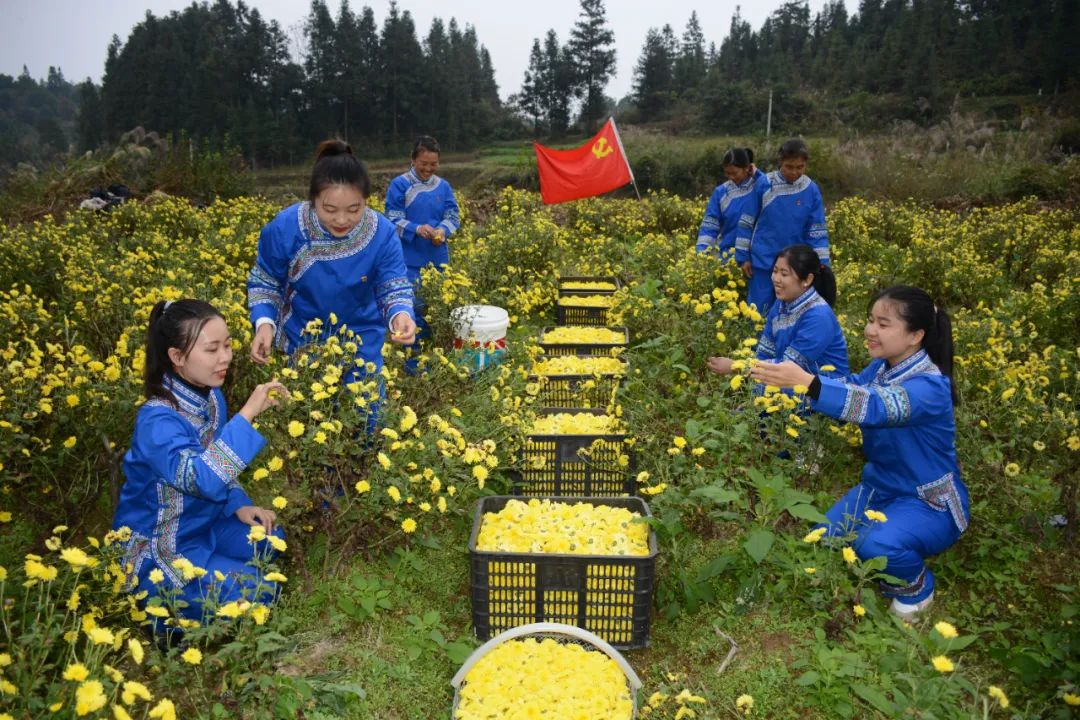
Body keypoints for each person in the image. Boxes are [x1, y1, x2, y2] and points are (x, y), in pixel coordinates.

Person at [750, 285, 968, 619]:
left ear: (916, 336)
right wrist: (782, 383)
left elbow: (874, 405)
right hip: (879, 488)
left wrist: (810, 383)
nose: (869, 330)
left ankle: (917, 588)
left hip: (928, 502)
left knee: (872, 545)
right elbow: (850, 388)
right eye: (870, 320)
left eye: (883, 324)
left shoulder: (929, 387)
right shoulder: (881, 368)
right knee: (824, 540)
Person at [114, 299, 288, 624]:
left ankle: (219, 573)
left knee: (272, 540)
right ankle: (161, 609)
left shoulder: (211, 397)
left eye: (228, 345)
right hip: (163, 548)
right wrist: (248, 414)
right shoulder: (157, 421)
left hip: (204, 524)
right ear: (177, 357)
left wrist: (238, 504)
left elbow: (217, 459)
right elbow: (201, 478)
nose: (225, 357)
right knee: (260, 592)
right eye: (212, 349)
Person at [248, 140, 417, 397]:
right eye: (329, 209)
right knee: (305, 409)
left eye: (354, 209)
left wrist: (400, 314)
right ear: (313, 199)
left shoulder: (381, 233)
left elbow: (392, 284)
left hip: (362, 337)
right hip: (303, 337)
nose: (341, 220)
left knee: (366, 411)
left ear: (366, 201)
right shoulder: (287, 227)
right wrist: (264, 324)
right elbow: (266, 281)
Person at [707, 243, 849, 382]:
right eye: (775, 271)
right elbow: (765, 352)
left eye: (784, 274)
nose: (776, 279)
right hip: (787, 383)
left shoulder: (819, 317)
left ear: (807, 279)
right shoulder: (780, 305)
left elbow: (789, 368)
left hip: (825, 390)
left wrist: (737, 367)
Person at [384, 136, 460, 373]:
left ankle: (435, 359)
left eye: (433, 164)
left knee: (436, 309)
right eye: (423, 163)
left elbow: (453, 215)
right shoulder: (400, 185)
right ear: (413, 160)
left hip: (437, 259)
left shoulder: (443, 186)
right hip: (409, 260)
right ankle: (412, 362)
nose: (428, 169)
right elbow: (392, 219)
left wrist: (442, 230)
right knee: (412, 309)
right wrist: (417, 229)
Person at [736, 138, 829, 315]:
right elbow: (746, 221)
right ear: (780, 162)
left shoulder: (811, 190)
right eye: (789, 167)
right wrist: (743, 257)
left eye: (800, 167)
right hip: (762, 261)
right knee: (757, 311)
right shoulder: (764, 184)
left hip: (795, 265)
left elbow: (816, 231)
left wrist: (822, 264)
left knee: (789, 311)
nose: (794, 172)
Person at [695, 147, 764, 260]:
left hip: (757, 256)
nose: (731, 177)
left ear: (747, 168)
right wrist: (702, 253)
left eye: (735, 173)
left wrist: (757, 174)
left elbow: (773, 192)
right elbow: (710, 225)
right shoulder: (721, 192)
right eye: (728, 173)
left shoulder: (760, 186)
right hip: (728, 256)